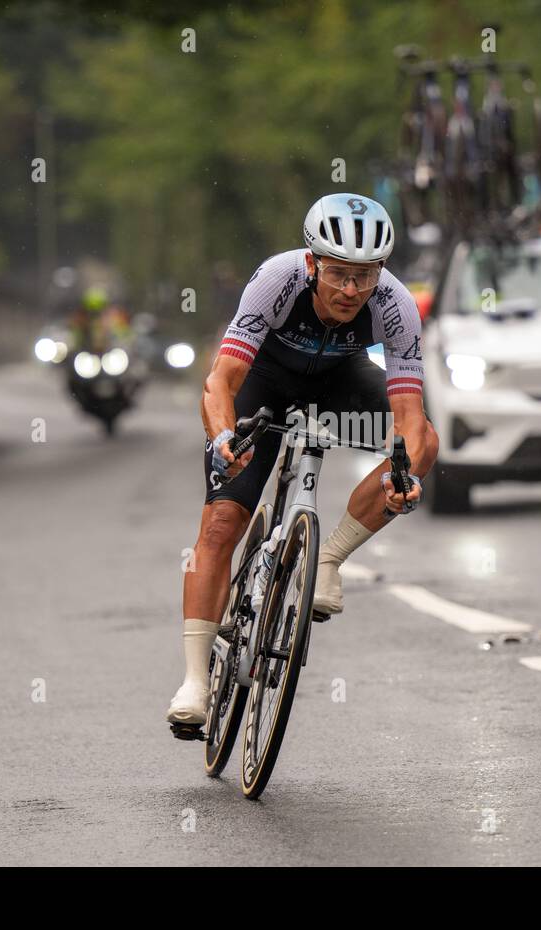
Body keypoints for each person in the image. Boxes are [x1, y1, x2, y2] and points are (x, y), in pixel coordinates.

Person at [166, 193, 439, 730]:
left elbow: (409, 412)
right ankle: (196, 681)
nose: (352, 290)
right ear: (313, 263)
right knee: (222, 521)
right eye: (339, 274)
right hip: (266, 384)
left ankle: (330, 557)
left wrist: (403, 472)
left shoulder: (396, 303)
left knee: (425, 442)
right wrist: (223, 438)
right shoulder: (277, 279)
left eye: (366, 276)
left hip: (340, 383)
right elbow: (221, 380)